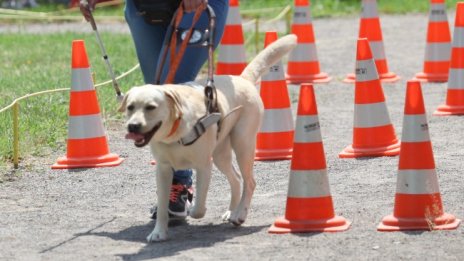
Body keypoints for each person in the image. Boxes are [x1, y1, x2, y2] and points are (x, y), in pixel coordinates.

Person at [80, 0, 229, 221]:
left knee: (173, 89)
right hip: (144, 7)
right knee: (157, 89)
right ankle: (174, 182)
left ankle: (178, 184)